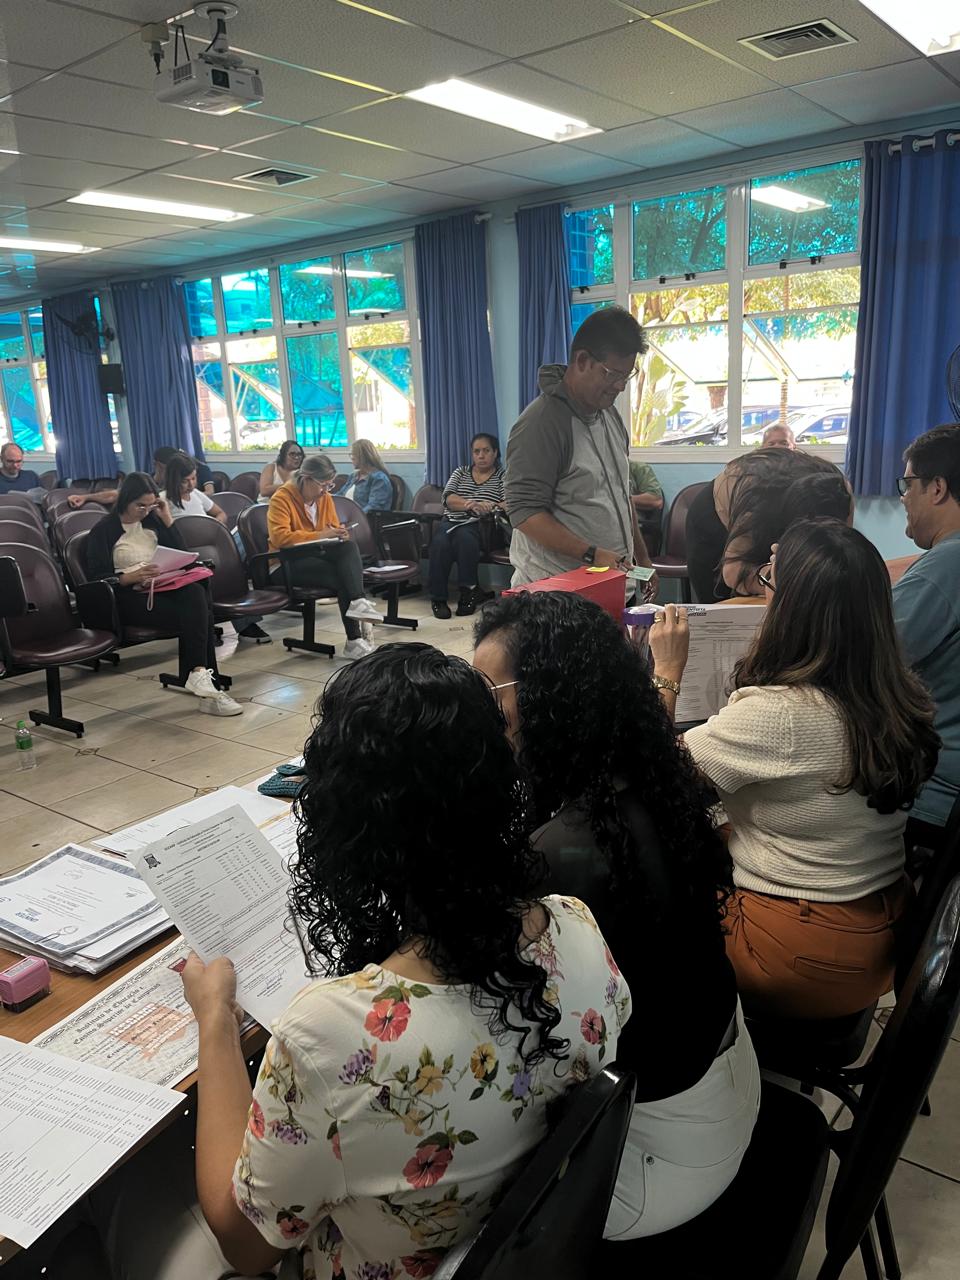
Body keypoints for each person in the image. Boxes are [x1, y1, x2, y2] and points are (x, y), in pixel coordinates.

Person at [77, 645, 631, 1279]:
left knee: (122, 1191)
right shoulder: (575, 924)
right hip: (499, 1246)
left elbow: (247, 1248)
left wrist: (215, 1021)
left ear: (346, 824)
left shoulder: (333, 1035)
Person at [474, 592, 759, 1240]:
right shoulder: (653, 782)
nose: (479, 718)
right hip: (720, 1085)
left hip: (660, 1162)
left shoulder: (565, 856)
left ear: (553, 700)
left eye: (492, 697)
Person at [651, 519, 940, 1020]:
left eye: (769, 581)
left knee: (644, 884)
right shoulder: (896, 692)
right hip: (881, 928)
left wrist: (667, 672)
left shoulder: (782, 714)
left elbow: (654, 770)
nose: (763, 593)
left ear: (792, 610)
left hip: (801, 953)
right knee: (714, 828)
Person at [505, 306, 656, 592]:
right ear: (582, 360)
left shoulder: (609, 414)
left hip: (610, 586)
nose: (620, 386)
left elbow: (621, 497)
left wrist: (643, 561)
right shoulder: (541, 423)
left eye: (627, 375)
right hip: (558, 595)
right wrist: (591, 554)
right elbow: (524, 513)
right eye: (612, 374)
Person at [83, 472, 242, 716]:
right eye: (140, 505)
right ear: (125, 500)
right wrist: (129, 577)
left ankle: (199, 675)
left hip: (161, 588)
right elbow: (96, 578)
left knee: (196, 592)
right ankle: (205, 682)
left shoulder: (152, 521)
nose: (145, 511)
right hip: (129, 598)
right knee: (200, 612)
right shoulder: (104, 530)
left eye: (150, 505)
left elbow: (183, 554)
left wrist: (167, 518)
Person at [893, 424, 960, 844]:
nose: (903, 497)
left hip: (932, 794)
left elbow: (857, 659)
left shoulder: (945, 567)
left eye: (908, 484)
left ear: (937, 487)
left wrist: (789, 594)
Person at [685, 448, 852, 601]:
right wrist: (776, 579)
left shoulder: (841, 490)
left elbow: (841, 549)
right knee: (722, 612)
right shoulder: (758, 505)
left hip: (773, 503)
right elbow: (732, 572)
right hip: (716, 514)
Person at [267, 453, 382, 658]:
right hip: (285, 563)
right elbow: (280, 538)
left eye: (330, 485)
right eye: (323, 485)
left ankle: (358, 605)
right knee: (344, 578)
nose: (326, 491)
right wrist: (322, 535)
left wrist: (339, 533)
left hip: (314, 556)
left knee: (348, 547)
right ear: (306, 478)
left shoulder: (325, 498)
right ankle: (354, 639)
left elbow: (331, 527)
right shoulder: (281, 498)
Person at [164, 451, 269, 646]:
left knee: (234, 568)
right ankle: (205, 627)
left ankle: (247, 624)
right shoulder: (164, 502)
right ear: (174, 479)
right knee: (207, 578)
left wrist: (215, 528)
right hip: (185, 557)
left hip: (209, 549)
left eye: (194, 478)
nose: (191, 484)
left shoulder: (197, 495)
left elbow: (220, 513)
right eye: (185, 481)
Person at [429, 432, 505, 619]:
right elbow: (447, 498)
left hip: (483, 526)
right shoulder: (460, 472)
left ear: (495, 452)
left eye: (486, 451)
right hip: (452, 521)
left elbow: (509, 502)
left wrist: (492, 506)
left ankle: (468, 592)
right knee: (440, 543)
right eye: (476, 451)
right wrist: (468, 504)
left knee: (464, 537)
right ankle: (438, 599)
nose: (481, 456)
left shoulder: (503, 475)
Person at [348, 438, 393, 513]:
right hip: (346, 515)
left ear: (363, 457)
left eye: (353, 454)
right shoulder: (353, 476)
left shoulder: (379, 479)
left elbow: (373, 507)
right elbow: (340, 496)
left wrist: (353, 517)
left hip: (364, 518)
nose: (351, 458)